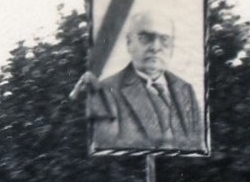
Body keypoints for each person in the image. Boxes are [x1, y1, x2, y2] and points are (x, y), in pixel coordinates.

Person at [86, 10, 204, 152]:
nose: (155, 47)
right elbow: (107, 148)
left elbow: (198, 145)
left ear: (172, 47)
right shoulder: (107, 90)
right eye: (146, 38)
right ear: (129, 43)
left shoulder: (186, 90)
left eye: (164, 39)